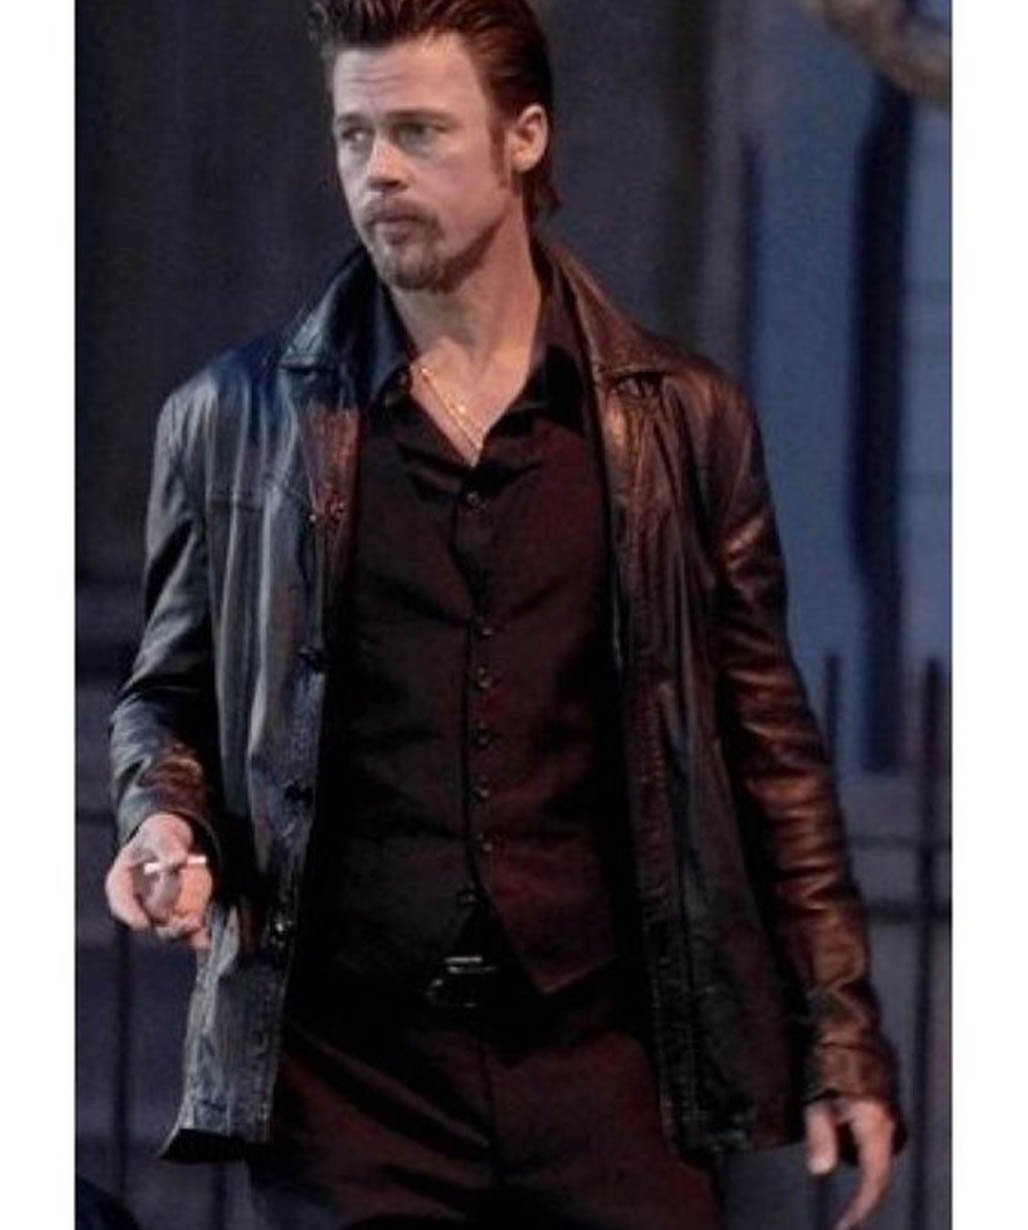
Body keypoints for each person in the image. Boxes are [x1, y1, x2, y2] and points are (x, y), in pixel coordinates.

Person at [104, 2, 903, 1227]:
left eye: (418, 132)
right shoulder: (234, 418)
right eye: (354, 134)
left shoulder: (679, 421)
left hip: (608, 1069)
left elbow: (768, 751)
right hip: (348, 1084)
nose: (378, 170)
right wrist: (161, 815)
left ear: (523, 138)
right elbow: (166, 693)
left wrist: (837, 1035)